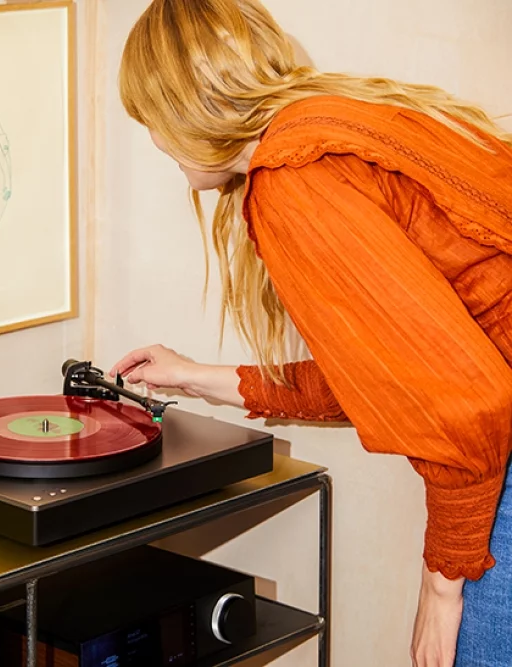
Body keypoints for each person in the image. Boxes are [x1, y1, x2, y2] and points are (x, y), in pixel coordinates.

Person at [106, 1, 512, 666]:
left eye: (150, 118)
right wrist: (198, 377)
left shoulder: (291, 183)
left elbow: (465, 403)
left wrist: (442, 587)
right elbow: (391, 372)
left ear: (189, 106)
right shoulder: (327, 125)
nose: (153, 141)